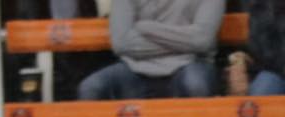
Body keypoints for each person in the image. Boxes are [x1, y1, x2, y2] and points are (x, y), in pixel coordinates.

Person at [76, 0, 223, 101]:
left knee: (196, 83)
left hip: (189, 65)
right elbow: (122, 43)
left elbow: (201, 40)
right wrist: (181, 43)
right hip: (134, 68)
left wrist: (145, 27)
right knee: (91, 87)